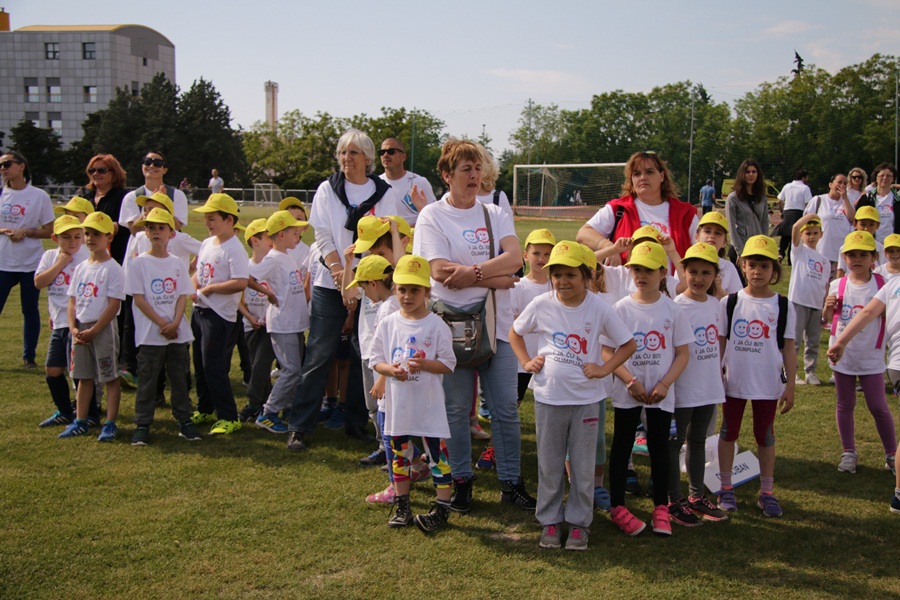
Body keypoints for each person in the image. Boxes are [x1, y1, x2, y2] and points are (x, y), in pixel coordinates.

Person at [414, 138, 536, 513]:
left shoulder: (495, 213)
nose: (474, 176)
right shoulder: (431, 216)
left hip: (495, 327)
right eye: (466, 169)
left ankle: (511, 483)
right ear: (447, 176)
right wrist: (493, 278)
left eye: (478, 168)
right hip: (449, 329)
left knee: (504, 409)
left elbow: (515, 259)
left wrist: (473, 272)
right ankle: (462, 481)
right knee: (455, 411)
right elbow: (437, 271)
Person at [511, 241, 634, 550]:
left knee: (582, 465)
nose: (563, 282)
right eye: (557, 275)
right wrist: (527, 362)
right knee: (550, 465)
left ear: (586, 276)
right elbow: (515, 332)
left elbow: (628, 344)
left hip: (586, 401)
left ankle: (579, 524)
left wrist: (605, 369)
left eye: (570, 275)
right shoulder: (542, 304)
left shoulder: (599, 307)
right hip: (549, 399)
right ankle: (550, 522)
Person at [285, 129, 398, 451]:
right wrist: (338, 271)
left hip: (373, 284)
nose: (347, 159)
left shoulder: (384, 192)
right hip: (329, 281)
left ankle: (357, 421)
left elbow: (387, 239)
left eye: (353, 153)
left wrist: (361, 277)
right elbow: (322, 234)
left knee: (367, 351)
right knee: (319, 353)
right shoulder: (327, 190)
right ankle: (300, 426)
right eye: (342, 153)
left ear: (367, 158)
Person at [606, 241, 692, 537]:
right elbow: (607, 351)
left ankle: (660, 509)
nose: (641, 275)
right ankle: (617, 506)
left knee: (659, 448)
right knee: (621, 446)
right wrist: (629, 380)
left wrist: (665, 383)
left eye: (648, 270)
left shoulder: (672, 310)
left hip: (660, 392)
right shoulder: (620, 308)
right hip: (628, 390)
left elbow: (683, 353)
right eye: (636, 269)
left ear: (662, 272)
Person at [370, 254, 457, 534]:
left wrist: (425, 364)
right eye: (402, 289)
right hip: (399, 406)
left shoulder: (436, 325)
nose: (407, 296)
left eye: (414, 290)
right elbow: (376, 359)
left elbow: (448, 364)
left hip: (428, 406)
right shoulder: (388, 323)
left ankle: (442, 509)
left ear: (427, 292)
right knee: (399, 456)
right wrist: (390, 370)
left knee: (437, 458)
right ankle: (403, 504)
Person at [717, 235, 796, 517]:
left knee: (765, 434)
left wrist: (791, 387)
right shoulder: (730, 302)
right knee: (729, 432)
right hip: (734, 383)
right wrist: (718, 373)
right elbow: (721, 341)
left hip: (768, 383)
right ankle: (726, 488)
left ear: (775, 270)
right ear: (743, 265)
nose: (757, 271)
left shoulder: (784, 305)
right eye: (752, 265)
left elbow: (788, 346)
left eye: (764, 266)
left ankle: (767, 492)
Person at [823, 231, 896, 475]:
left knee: (878, 405)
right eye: (851, 255)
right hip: (842, 355)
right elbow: (827, 320)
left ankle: (892, 454)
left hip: (871, 356)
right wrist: (827, 308)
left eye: (863, 255)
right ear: (844, 258)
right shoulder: (837, 284)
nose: (856, 260)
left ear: (873, 258)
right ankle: (848, 452)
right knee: (844, 404)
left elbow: (886, 314)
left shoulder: (882, 285)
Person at [127, 208, 199, 445]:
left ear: (171, 233)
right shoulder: (139, 264)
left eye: (161, 228)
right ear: (145, 232)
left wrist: (176, 322)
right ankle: (142, 423)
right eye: (151, 228)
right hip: (151, 334)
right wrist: (161, 323)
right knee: (148, 379)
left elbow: (181, 295)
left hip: (177, 333)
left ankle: (184, 420)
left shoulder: (177, 263)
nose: (156, 232)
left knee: (180, 377)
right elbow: (139, 299)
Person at [118, 151, 190, 386]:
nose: (152, 166)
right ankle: (132, 366)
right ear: (142, 167)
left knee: (166, 308)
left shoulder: (176, 194)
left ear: (165, 169)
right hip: (139, 261)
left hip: (167, 262)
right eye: (148, 163)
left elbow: (177, 226)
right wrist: (150, 209)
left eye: (158, 163)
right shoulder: (133, 196)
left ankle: (166, 372)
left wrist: (162, 205)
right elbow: (133, 228)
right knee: (134, 315)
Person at [669, 242, 729, 525]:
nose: (699, 278)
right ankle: (673, 499)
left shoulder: (717, 305)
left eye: (706, 272)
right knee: (676, 441)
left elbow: (717, 344)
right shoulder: (676, 307)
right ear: (683, 272)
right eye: (693, 271)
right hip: (683, 388)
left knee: (698, 440)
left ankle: (695, 496)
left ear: (715, 275)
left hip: (708, 386)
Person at [59, 212, 126, 442]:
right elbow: (72, 301)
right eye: (87, 233)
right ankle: (80, 421)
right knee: (84, 377)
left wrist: (95, 330)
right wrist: (73, 328)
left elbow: (114, 305)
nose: (89, 238)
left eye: (96, 234)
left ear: (108, 237)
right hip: (81, 329)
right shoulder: (81, 268)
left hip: (103, 329)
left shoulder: (113, 268)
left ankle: (110, 423)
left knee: (109, 376)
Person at [189, 193, 249, 435]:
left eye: (212, 218)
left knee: (213, 366)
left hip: (219, 315)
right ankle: (205, 408)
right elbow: (197, 272)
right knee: (200, 364)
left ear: (229, 220)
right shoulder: (207, 243)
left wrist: (211, 288)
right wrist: (194, 286)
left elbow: (241, 282)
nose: (208, 223)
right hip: (199, 311)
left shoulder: (234, 249)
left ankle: (228, 416)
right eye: (206, 219)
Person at [577, 151, 698, 266]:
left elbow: (701, 253)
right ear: (631, 179)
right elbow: (583, 234)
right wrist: (608, 247)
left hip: (675, 287)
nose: (643, 177)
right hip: (628, 287)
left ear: (662, 176)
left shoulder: (685, 213)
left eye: (649, 172)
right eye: (637, 174)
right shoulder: (618, 209)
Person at [250, 211, 310, 434]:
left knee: (295, 369)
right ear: (282, 234)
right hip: (282, 322)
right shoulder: (273, 258)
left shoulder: (287, 256)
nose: (298, 236)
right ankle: (268, 413)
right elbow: (248, 277)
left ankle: (286, 409)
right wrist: (267, 293)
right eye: (295, 232)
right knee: (291, 370)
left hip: (294, 322)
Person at [0, 150, 55, 368]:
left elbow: (50, 230)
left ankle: (28, 356)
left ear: (21, 166)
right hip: (3, 261)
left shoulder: (39, 195)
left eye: (7, 164)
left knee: (29, 309)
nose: (3, 168)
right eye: (1, 165)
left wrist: (27, 232)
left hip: (31, 262)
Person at [34, 215, 90, 427]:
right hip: (58, 322)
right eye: (66, 237)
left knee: (78, 371)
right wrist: (60, 263)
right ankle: (64, 411)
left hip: (78, 322)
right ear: (55, 238)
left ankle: (88, 413)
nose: (73, 242)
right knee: (53, 369)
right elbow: (39, 282)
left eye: (77, 236)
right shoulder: (50, 256)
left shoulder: (86, 256)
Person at [237, 219, 276, 422]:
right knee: (256, 365)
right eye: (268, 236)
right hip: (250, 325)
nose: (272, 240)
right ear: (255, 240)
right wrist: (250, 317)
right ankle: (267, 404)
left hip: (271, 326)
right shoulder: (245, 267)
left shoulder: (273, 263)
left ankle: (252, 404)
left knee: (262, 363)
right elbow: (237, 299)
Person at [788, 214, 829, 386]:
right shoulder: (799, 251)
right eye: (808, 233)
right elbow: (795, 228)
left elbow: (825, 286)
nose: (811, 237)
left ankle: (810, 372)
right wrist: (811, 215)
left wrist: (824, 305)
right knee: (794, 340)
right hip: (799, 302)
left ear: (821, 234)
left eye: (815, 233)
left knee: (812, 341)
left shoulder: (824, 261)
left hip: (816, 305)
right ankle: (791, 372)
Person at [803, 173, 854, 279]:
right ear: (830, 184)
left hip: (840, 253)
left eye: (845, 183)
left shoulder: (847, 202)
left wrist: (844, 198)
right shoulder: (818, 200)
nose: (842, 185)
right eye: (839, 182)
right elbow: (806, 223)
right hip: (822, 251)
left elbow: (853, 219)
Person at [725, 160, 770, 278]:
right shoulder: (733, 198)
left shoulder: (762, 198)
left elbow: (764, 222)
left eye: (754, 172)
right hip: (741, 248)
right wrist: (740, 252)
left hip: (757, 247)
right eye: (747, 172)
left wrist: (765, 244)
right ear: (742, 174)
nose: (751, 175)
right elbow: (731, 227)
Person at [82, 154, 129, 264]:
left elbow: (128, 226)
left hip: (117, 257)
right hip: (88, 258)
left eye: (101, 170)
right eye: (92, 170)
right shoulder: (85, 198)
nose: (96, 174)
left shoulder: (124, 197)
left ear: (114, 173)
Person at [379, 138, 436, 226]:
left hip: (413, 238)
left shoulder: (420, 182)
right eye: (382, 152)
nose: (386, 155)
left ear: (403, 157)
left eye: (391, 151)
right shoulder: (376, 184)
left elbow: (434, 216)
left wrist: (404, 230)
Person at [855, 163, 899, 241]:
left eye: (888, 176)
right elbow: (858, 220)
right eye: (882, 175)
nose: (885, 178)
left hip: (893, 245)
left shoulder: (898, 199)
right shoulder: (867, 198)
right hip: (870, 242)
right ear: (876, 178)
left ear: (893, 179)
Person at [836, 206, 883, 278]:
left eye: (871, 224)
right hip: (850, 285)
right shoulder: (845, 247)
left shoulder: (880, 248)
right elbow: (841, 270)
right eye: (863, 224)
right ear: (855, 224)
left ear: (877, 225)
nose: (866, 228)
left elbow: (883, 271)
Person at [777, 169, 812, 263]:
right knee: (795, 235)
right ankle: (790, 258)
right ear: (804, 177)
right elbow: (808, 203)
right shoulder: (805, 188)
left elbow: (780, 200)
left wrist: (781, 212)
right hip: (798, 213)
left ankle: (780, 253)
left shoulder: (787, 186)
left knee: (785, 234)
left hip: (787, 212)